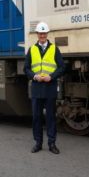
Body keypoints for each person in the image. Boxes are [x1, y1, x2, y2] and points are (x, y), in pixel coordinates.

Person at [24, 22, 65, 154]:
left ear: (47, 34)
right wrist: (34, 76)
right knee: (36, 117)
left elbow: (62, 67)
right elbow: (26, 68)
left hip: (50, 87)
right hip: (36, 87)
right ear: (37, 34)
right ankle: (38, 143)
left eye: (44, 33)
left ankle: (52, 143)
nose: (42, 35)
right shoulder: (32, 49)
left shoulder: (54, 49)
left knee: (51, 117)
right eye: (40, 33)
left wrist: (51, 77)